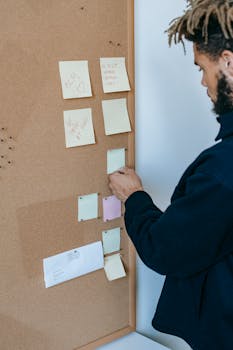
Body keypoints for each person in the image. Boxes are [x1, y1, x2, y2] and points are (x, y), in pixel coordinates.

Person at [108, 1, 233, 349]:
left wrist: (134, 197)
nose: (203, 82)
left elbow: (165, 249)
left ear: (228, 62)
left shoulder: (224, 169)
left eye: (202, 68)